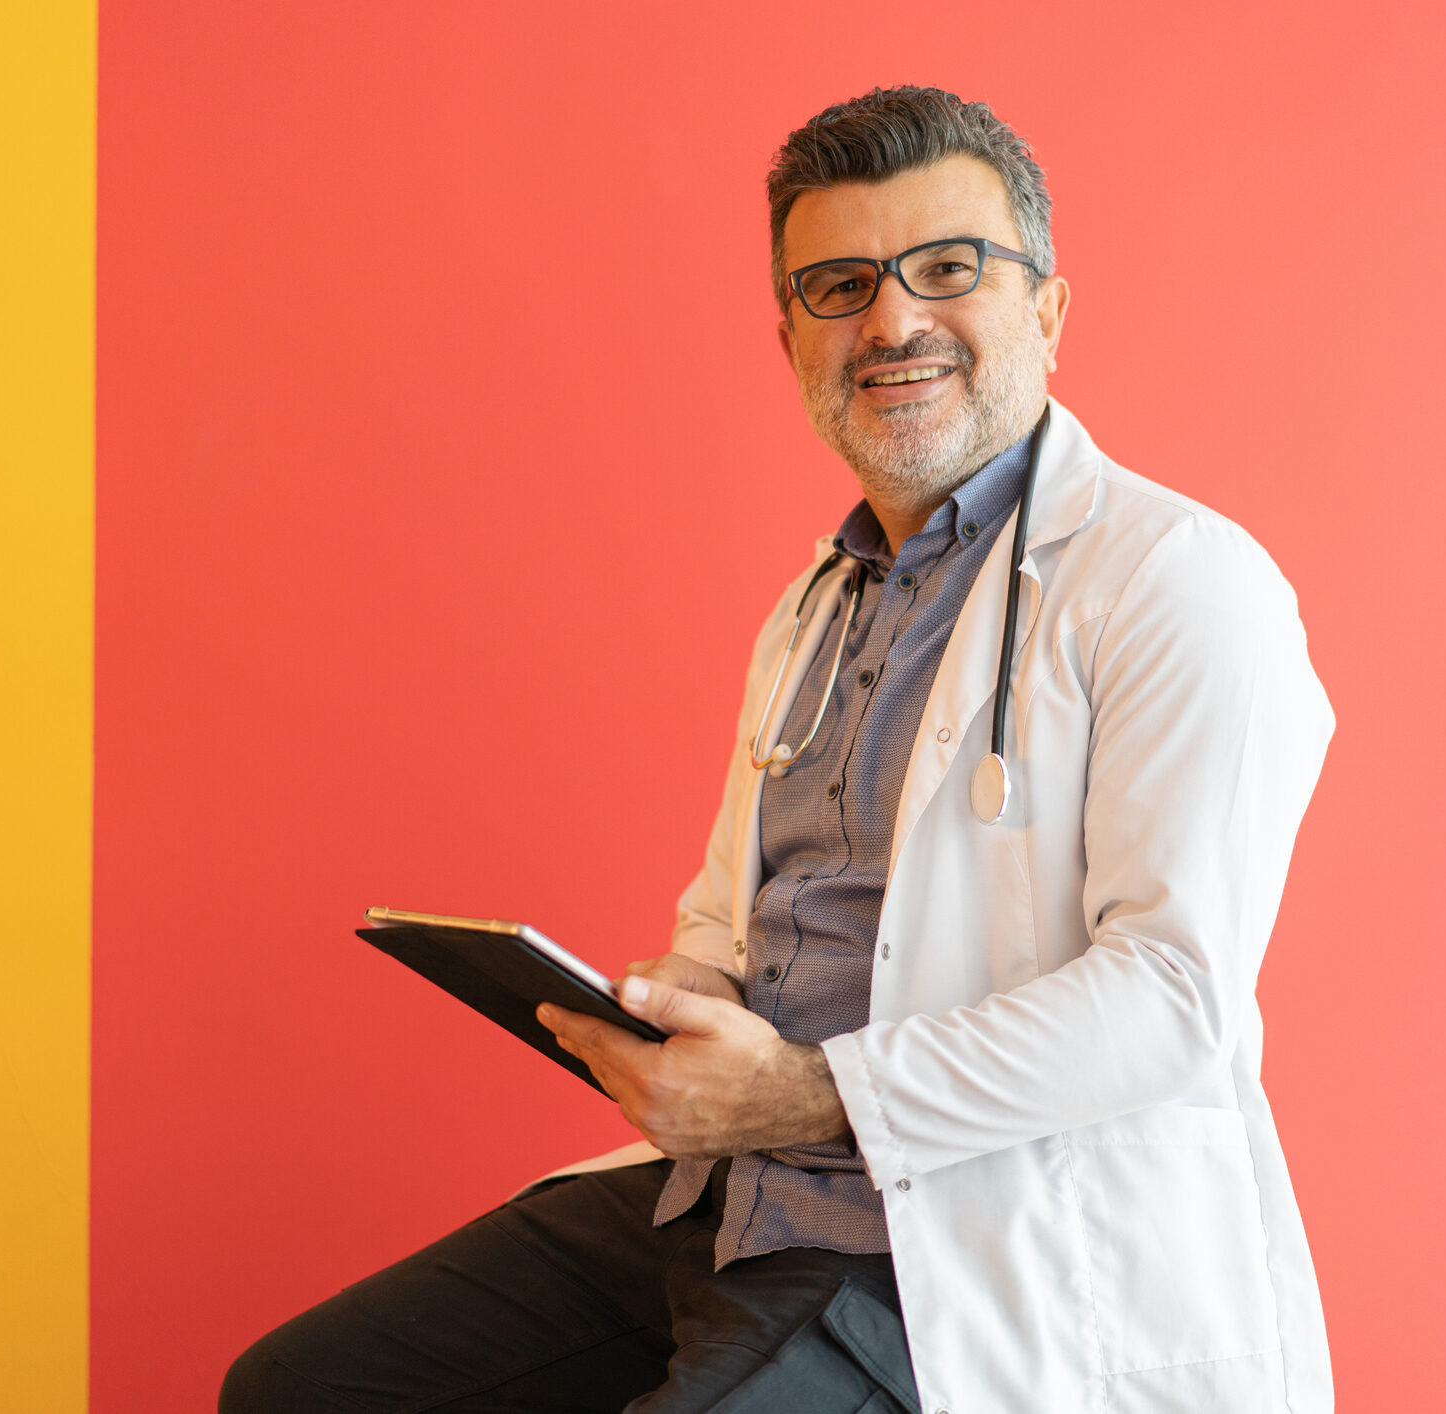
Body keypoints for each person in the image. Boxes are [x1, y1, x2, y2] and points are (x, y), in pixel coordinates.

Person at [222, 86, 1335, 1414]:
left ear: (1048, 309)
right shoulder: (816, 605)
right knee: (303, 1387)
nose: (893, 320)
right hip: (729, 1203)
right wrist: (659, 1009)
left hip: (951, 1248)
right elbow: (729, 923)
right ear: (790, 336)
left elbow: (1172, 998)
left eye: (947, 268)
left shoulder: (1176, 581)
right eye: (839, 284)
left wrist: (803, 1095)